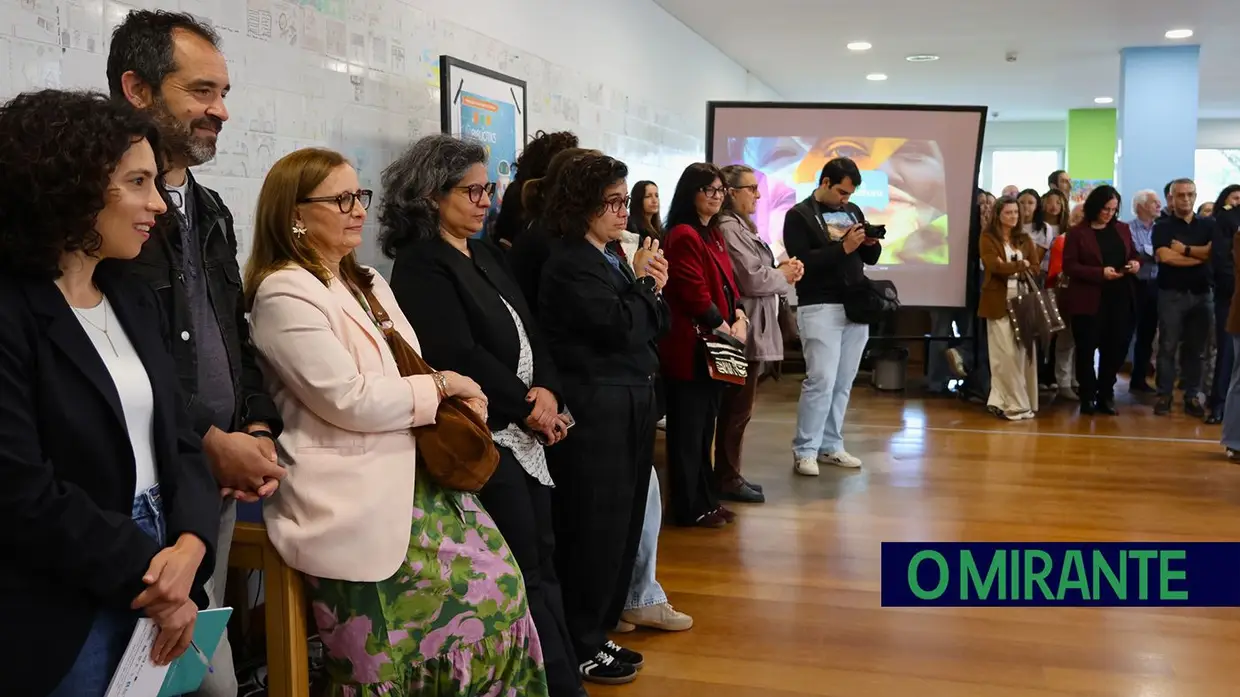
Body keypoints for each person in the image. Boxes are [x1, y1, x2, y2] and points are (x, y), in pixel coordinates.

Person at [244, 147, 549, 696]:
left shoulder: (365, 281)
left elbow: (410, 364)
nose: (358, 209)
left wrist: (454, 392)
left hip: (414, 475)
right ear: (293, 212)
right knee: (397, 655)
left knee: (505, 592)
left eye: (359, 196)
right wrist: (441, 387)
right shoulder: (284, 290)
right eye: (340, 199)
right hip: (351, 492)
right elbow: (349, 399)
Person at [0, 89, 219, 697]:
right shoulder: (14, 311)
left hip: (167, 554)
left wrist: (191, 546)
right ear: (68, 185)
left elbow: (181, 439)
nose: (159, 205)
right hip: (69, 582)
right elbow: (21, 491)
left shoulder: (131, 298)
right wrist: (150, 572)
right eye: (138, 182)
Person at [108, 13, 284, 695]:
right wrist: (209, 439)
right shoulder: (101, 211)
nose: (221, 111)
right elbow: (123, 357)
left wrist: (255, 427)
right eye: (202, 91)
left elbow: (233, 333)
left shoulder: (209, 208)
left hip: (214, 482)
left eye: (224, 91)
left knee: (193, 667)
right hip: (148, 483)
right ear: (137, 88)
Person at [380, 134, 584, 697]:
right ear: (428, 195)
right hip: (487, 435)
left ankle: (564, 678)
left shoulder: (487, 250)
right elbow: (457, 352)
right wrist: (526, 406)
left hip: (525, 425)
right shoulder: (421, 264)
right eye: (470, 190)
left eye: (487, 189)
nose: (484, 201)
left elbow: (531, 328)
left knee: (545, 557)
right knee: (520, 569)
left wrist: (546, 392)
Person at [537, 152, 672, 685]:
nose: (624, 212)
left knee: (626, 519)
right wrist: (643, 287)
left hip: (632, 395)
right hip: (597, 404)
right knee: (595, 525)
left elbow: (653, 322)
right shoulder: (570, 261)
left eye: (624, 201)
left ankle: (599, 629)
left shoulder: (612, 254)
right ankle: (580, 639)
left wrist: (648, 290)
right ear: (582, 206)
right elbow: (618, 328)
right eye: (613, 202)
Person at [659, 163, 747, 527]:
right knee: (688, 432)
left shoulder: (713, 234)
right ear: (690, 193)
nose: (716, 196)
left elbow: (730, 283)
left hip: (715, 344)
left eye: (720, 190)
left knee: (705, 429)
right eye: (708, 190)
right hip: (691, 349)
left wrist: (740, 314)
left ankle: (707, 500)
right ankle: (690, 506)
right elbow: (692, 292)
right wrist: (726, 326)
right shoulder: (683, 234)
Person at [783, 157, 881, 474]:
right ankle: (805, 450)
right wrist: (844, 248)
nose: (845, 199)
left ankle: (831, 445)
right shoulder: (798, 215)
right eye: (841, 192)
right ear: (824, 183)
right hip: (819, 304)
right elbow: (803, 261)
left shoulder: (852, 212)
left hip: (854, 303)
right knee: (820, 380)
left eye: (849, 194)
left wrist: (869, 241)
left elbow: (871, 257)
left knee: (843, 381)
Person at [714, 164, 802, 502]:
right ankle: (727, 478)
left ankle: (729, 474)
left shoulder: (740, 226)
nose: (758, 195)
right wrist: (784, 276)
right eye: (751, 188)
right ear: (731, 193)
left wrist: (781, 271)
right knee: (736, 410)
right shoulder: (728, 227)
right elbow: (751, 278)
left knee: (740, 410)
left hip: (751, 325)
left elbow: (759, 271)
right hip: (742, 328)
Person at [1060, 185, 1139, 415]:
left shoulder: (1122, 229)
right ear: (1095, 207)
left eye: (1114, 209)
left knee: (1114, 349)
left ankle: (1106, 394)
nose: (1109, 214)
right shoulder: (1077, 233)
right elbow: (1070, 266)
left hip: (1120, 296)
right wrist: (1099, 273)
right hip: (1089, 298)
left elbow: (1132, 253)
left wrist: (1135, 264)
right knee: (1085, 349)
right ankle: (1087, 396)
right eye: (1105, 209)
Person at [1152, 178, 1215, 417]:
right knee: (1167, 346)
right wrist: (1199, 256)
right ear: (1172, 198)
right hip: (1172, 294)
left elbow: (1213, 254)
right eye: (1180, 195)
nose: (1186, 199)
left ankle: (1191, 396)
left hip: (1202, 294)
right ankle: (1164, 395)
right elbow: (1166, 257)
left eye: (1190, 194)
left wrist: (1186, 250)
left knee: (1196, 349)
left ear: (1196, 196)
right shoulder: (1162, 226)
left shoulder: (1209, 224)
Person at [977, 196, 1040, 420]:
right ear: (998, 215)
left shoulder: (1024, 238)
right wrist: (1018, 265)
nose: (1013, 216)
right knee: (1004, 355)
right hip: (998, 302)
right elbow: (993, 266)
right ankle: (1015, 403)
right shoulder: (987, 237)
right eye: (1008, 213)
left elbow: (1034, 266)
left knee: (1022, 355)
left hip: (1023, 301)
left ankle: (1001, 401)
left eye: (1015, 212)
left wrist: (1015, 267)